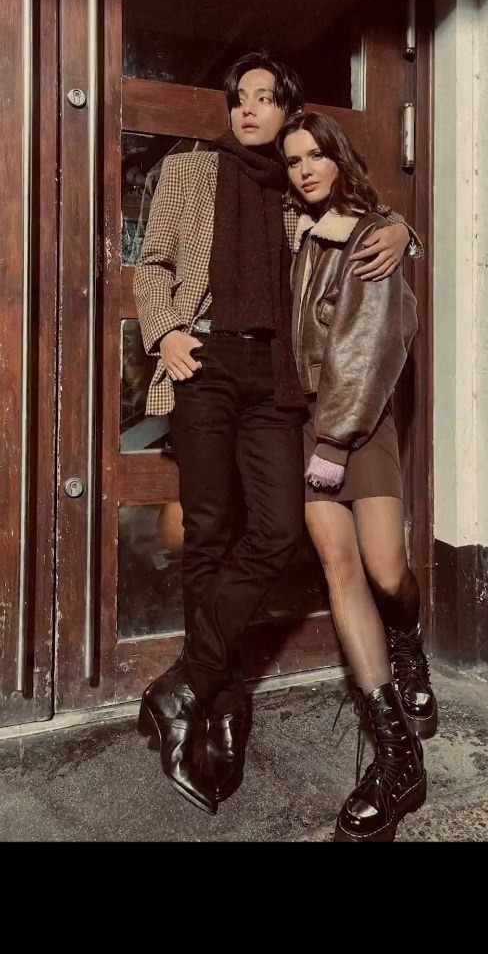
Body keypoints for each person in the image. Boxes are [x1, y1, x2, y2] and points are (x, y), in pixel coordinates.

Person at [133, 49, 420, 817]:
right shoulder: (188, 171)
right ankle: (222, 700)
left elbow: (363, 221)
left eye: (265, 97)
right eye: (240, 98)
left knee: (277, 527)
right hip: (203, 363)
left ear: (289, 111)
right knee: (208, 529)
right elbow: (152, 264)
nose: (249, 109)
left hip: (276, 378)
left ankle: (186, 682)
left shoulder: (299, 188)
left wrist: (405, 230)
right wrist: (164, 332)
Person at [280, 109, 436, 843]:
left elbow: (370, 348)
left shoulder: (372, 236)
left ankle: (408, 644)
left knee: (385, 571)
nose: (305, 169)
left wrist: (337, 442)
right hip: (313, 420)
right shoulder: (299, 231)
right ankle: (398, 756)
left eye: (316, 155)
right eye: (293, 160)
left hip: (361, 422)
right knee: (340, 569)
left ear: (339, 159)